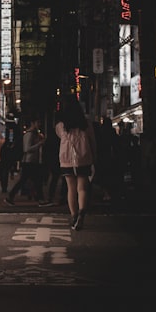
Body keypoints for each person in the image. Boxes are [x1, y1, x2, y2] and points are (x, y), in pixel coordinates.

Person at [55, 94, 96, 230]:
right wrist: (94, 157)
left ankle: (74, 216)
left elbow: (60, 137)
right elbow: (92, 142)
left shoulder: (61, 126)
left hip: (66, 160)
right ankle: (82, 212)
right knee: (82, 188)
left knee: (71, 188)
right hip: (84, 158)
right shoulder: (86, 124)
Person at [5, 117, 49, 206]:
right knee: (32, 180)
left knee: (33, 180)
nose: (39, 124)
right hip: (28, 161)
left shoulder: (34, 134)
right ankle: (40, 199)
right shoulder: (29, 134)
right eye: (37, 122)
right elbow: (27, 149)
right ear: (32, 123)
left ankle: (11, 197)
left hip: (31, 161)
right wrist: (39, 144)